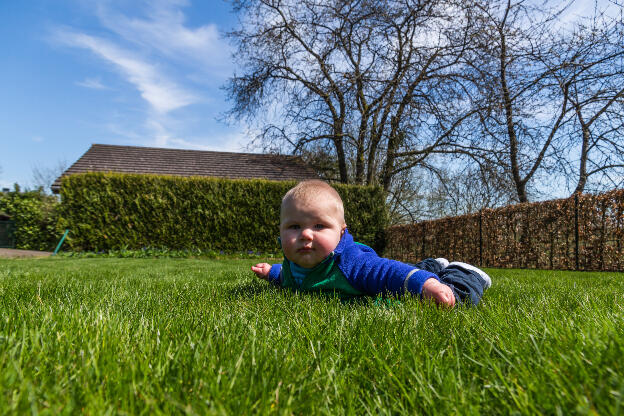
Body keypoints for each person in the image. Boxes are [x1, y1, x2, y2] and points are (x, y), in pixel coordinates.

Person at [251, 180, 491, 307]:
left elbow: (389, 272)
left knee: (447, 300)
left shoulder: (352, 264)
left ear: (341, 232)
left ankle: (464, 273)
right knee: (407, 270)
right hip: (382, 269)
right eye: (294, 227)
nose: (305, 235)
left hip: (376, 275)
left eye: (319, 226)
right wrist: (272, 272)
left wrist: (428, 286)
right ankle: (431, 265)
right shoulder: (295, 262)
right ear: (280, 232)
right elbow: (291, 276)